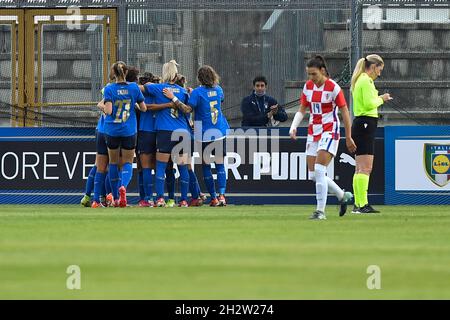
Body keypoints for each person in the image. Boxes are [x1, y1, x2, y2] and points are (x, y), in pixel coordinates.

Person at [289, 55, 356, 220]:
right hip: (313, 132)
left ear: (322, 71)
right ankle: (342, 195)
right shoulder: (308, 87)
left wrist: (348, 136)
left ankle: (320, 211)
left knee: (319, 170)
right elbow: (302, 108)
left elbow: (345, 112)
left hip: (330, 131)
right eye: (309, 74)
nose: (311, 78)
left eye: (314, 74)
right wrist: (294, 126)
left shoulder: (333, 88)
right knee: (313, 175)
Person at [164, 65, 229, 206]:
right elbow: (219, 100)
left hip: (203, 133)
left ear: (199, 78)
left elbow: (187, 109)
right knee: (220, 165)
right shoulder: (219, 89)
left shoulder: (197, 93)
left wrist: (174, 98)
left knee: (206, 166)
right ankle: (222, 195)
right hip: (219, 131)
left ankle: (214, 198)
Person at [142, 60, 192, 208]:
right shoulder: (183, 91)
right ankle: (183, 200)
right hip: (182, 132)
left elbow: (138, 89)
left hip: (164, 131)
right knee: (183, 168)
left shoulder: (158, 88)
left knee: (161, 167)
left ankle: (160, 199)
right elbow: (188, 110)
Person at [97, 61, 146, 208]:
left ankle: (116, 199)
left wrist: (102, 106)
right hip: (129, 130)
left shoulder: (109, 89)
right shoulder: (134, 88)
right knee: (127, 163)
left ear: (115, 73)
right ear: (125, 72)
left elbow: (109, 111)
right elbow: (143, 108)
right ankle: (123, 186)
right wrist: (133, 104)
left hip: (111, 130)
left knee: (113, 163)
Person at [350, 54, 392, 214]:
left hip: (361, 124)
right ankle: (362, 204)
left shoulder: (360, 80)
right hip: (366, 124)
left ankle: (358, 204)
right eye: (379, 70)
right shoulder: (366, 81)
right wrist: (382, 98)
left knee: (359, 168)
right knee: (365, 168)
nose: (379, 73)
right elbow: (369, 104)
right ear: (373, 67)